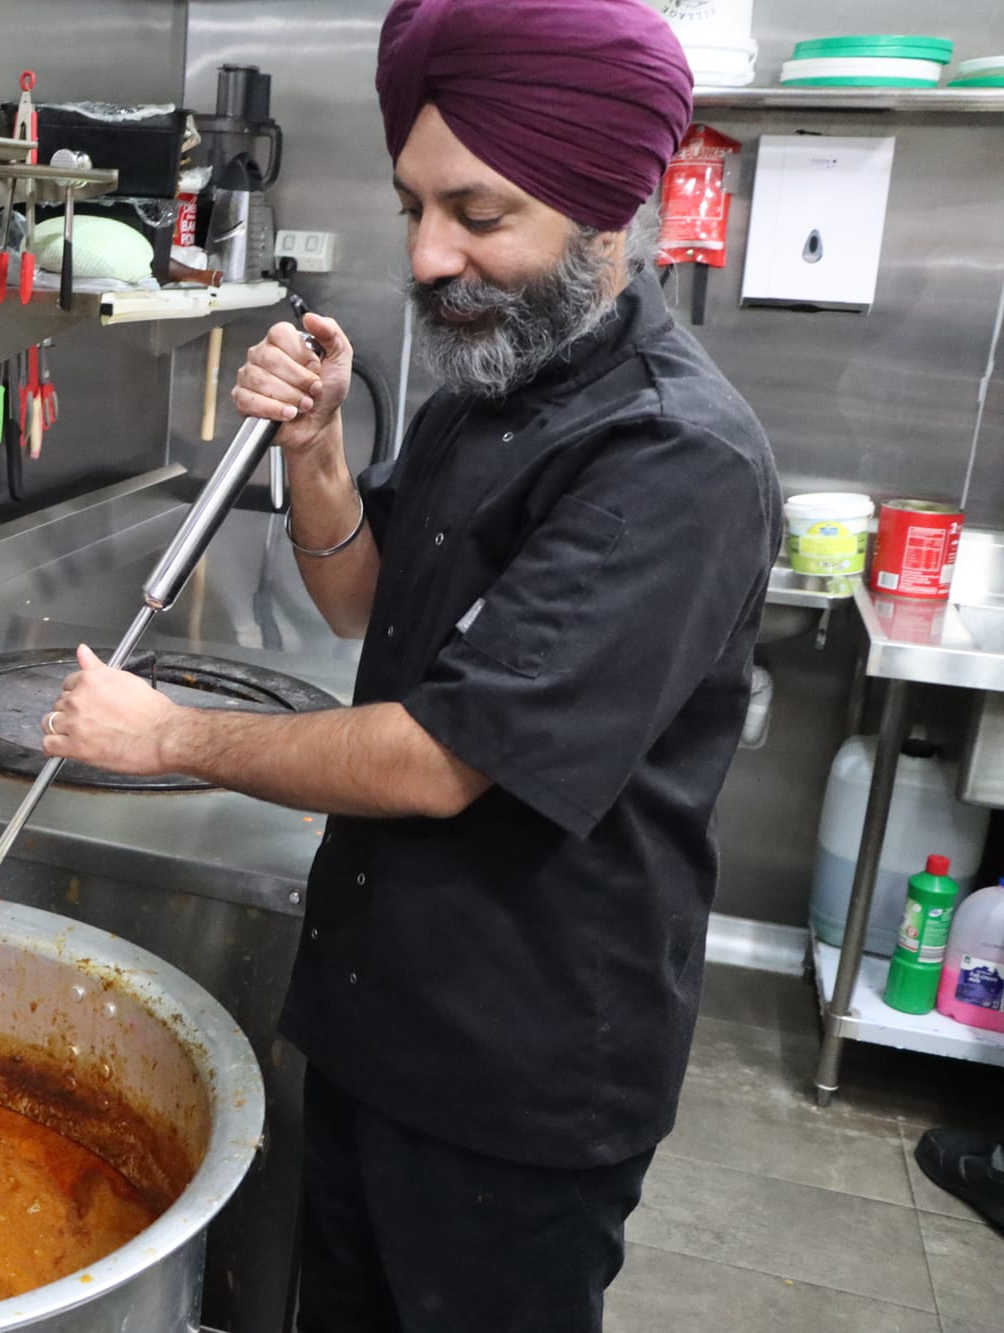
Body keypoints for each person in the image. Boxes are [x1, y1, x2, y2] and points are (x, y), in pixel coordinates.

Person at [39, 1, 782, 1329]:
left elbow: (445, 758)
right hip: (381, 1016)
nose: (433, 254)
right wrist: (316, 449)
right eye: (413, 208)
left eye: (478, 214)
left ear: (604, 208)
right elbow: (359, 596)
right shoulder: (490, 384)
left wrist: (169, 734)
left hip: (521, 1072)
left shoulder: (675, 459)